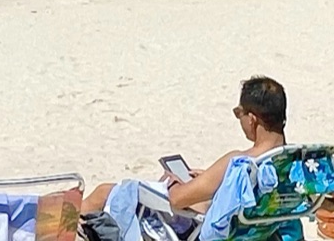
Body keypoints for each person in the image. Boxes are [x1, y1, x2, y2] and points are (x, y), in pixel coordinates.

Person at [81, 75, 289, 216]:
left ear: (252, 119)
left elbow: (176, 200)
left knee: (103, 193)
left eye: (239, 113)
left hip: (217, 234)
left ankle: (57, 230)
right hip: (253, 231)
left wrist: (174, 182)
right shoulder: (295, 160)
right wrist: (211, 178)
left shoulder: (239, 162)